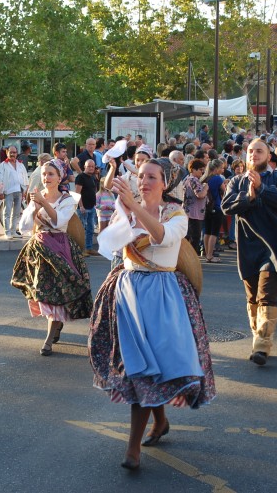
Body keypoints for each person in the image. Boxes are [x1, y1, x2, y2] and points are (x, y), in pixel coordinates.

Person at [89, 159, 215, 471]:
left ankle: (134, 448)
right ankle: (156, 425)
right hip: (129, 291)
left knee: (151, 366)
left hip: (163, 295)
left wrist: (134, 208)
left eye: (152, 177)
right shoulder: (127, 209)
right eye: (141, 176)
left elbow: (161, 237)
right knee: (138, 368)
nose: (144, 181)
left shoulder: (177, 214)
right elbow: (111, 244)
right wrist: (125, 211)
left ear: (165, 183)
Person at [221, 139, 277, 366]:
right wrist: (249, 196)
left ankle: (262, 346)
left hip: (273, 247)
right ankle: (258, 338)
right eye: (251, 151)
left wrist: (262, 189)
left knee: (266, 295)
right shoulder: (237, 181)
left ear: (269, 156)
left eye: (259, 151)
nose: (254, 154)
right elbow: (226, 207)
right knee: (253, 297)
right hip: (247, 246)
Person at [11, 160, 92, 356]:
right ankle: (55, 326)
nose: (46, 178)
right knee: (44, 294)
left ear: (60, 177)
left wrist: (43, 202)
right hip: (39, 247)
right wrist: (33, 206)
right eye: (44, 174)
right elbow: (24, 226)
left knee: (57, 293)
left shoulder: (69, 199)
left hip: (59, 247)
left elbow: (58, 222)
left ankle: (48, 339)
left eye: (51, 174)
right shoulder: (36, 196)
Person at [0, 146, 29, 239]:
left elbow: (25, 177)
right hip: (8, 191)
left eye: (14, 152)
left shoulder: (20, 164)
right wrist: (0, 192)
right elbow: (0, 179)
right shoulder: (3, 165)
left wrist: (25, 190)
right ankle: (7, 232)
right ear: (7, 153)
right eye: (10, 152)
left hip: (19, 191)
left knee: (16, 213)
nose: (12, 154)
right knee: (7, 212)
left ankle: (13, 231)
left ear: (17, 153)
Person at [182, 158, 208, 255]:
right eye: (200, 169)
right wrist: (205, 187)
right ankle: (192, 259)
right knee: (194, 237)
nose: (203, 172)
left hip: (188, 211)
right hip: (194, 213)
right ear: (193, 169)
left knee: (189, 236)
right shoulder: (193, 180)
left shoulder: (187, 179)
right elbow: (200, 195)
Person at [75, 159, 100, 255]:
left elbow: (95, 191)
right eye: (89, 166)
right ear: (84, 167)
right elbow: (77, 193)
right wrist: (81, 206)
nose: (91, 168)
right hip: (83, 208)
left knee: (90, 229)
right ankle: (81, 250)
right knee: (82, 230)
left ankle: (89, 248)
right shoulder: (80, 177)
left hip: (91, 207)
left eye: (92, 166)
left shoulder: (93, 177)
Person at [203, 159, 226, 263]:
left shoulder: (204, 178)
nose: (223, 170)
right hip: (216, 206)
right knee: (214, 232)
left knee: (207, 231)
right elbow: (225, 191)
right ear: (216, 168)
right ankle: (210, 255)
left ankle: (207, 253)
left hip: (206, 207)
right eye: (221, 168)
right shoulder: (217, 178)